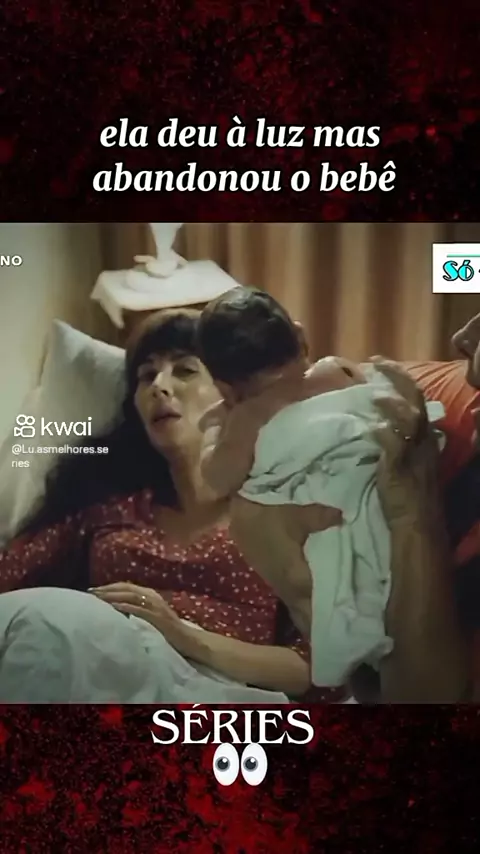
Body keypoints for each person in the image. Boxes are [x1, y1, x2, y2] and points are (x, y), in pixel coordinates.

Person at [0, 308, 324, 702]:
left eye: (185, 370)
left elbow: (315, 667)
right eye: (146, 376)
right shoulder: (107, 504)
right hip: (102, 663)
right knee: (42, 621)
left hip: (214, 687)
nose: (160, 386)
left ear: (229, 393)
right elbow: (11, 577)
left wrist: (182, 634)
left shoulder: (274, 509)